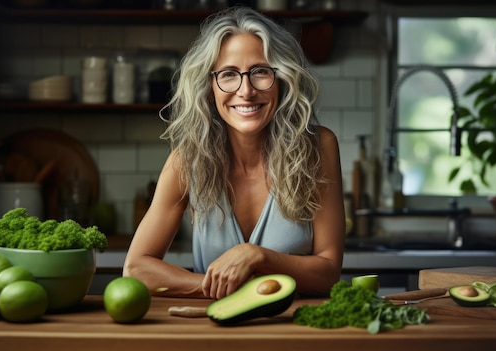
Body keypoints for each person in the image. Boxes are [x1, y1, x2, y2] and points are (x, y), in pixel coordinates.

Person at [123, 6, 345, 299]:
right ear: (209, 86)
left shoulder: (319, 148)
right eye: (228, 74)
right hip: (212, 332)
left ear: (282, 79)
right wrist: (218, 286)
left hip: (294, 332)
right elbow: (136, 268)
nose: (246, 91)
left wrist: (257, 256)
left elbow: (329, 273)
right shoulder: (187, 159)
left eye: (260, 72)